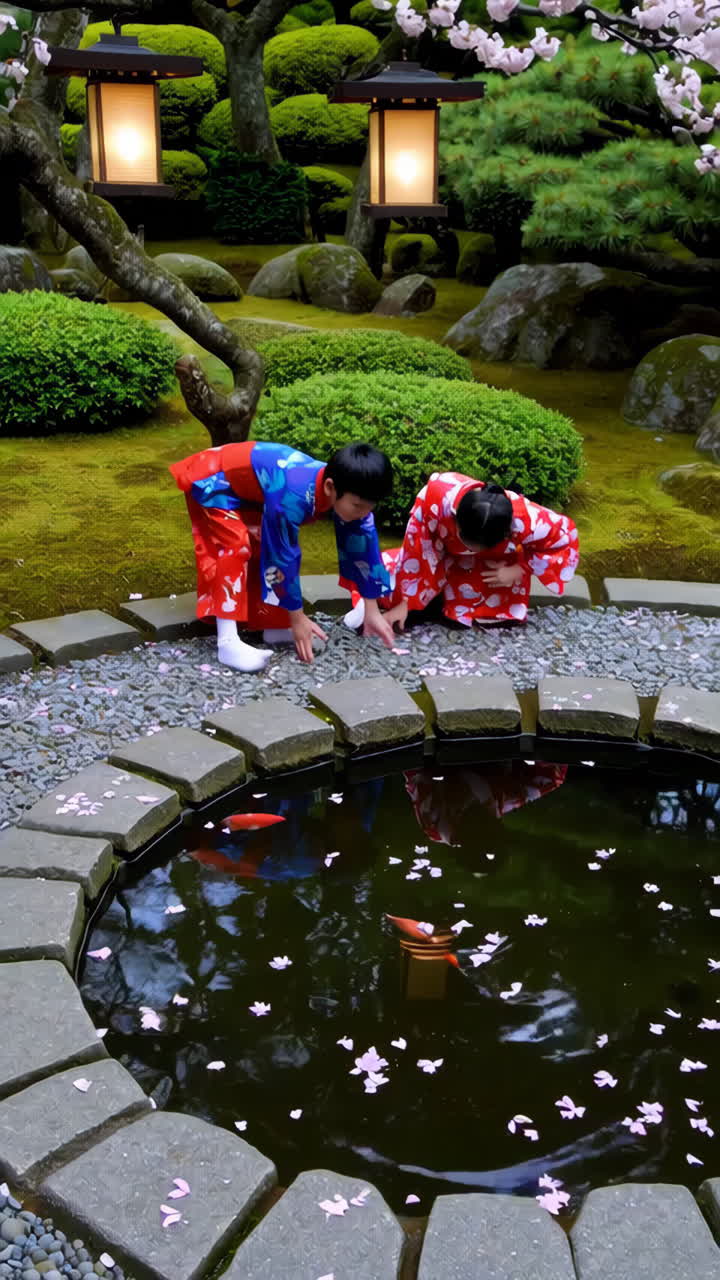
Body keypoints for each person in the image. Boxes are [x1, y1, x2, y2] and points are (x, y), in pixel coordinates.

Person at [169, 439, 395, 670]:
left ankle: (274, 626)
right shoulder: (293, 494)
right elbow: (282, 555)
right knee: (237, 546)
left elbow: (363, 544)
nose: (365, 513)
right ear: (329, 487)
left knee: (260, 541)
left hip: (252, 487)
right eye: (357, 506)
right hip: (214, 476)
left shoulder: (351, 490)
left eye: (370, 506)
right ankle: (227, 643)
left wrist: (372, 609)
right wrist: (297, 619)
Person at [345, 472, 579, 631]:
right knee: (406, 575)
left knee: (482, 608)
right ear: (456, 520)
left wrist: (518, 569)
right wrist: (406, 602)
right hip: (442, 552)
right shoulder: (437, 498)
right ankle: (389, 602)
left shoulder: (526, 517)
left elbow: (564, 536)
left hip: (497, 564)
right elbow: (419, 551)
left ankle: (449, 601)